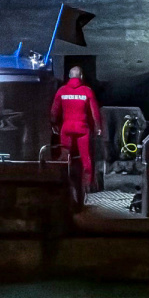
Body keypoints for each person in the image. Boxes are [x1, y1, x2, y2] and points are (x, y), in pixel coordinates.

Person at [50, 66, 101, 200]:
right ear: (81, 76)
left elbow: (54, 111)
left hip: (66, 128)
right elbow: (95, 112)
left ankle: (62, 181)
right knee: (86, 157)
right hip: (82, 128)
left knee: (65, 156)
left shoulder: (62, 91)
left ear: (69, 76)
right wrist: (98, 127)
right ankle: (87, 185)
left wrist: (53, 124)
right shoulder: (87, 91)